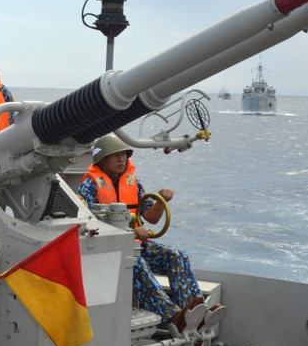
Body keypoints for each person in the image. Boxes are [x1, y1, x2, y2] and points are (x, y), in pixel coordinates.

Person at [77, 133, 221, 332]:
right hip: (109, 253)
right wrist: (131, 229)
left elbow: (151, 217)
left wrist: (162, 200)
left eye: (124, 155)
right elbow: (86, 222)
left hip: (137, 245)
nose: (121, 159)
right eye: (116, 155)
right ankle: (173, 317)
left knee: (177, 256)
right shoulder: (89, 187)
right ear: (102, 159)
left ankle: (195, 313)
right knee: (137, 263)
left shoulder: (134, 184)